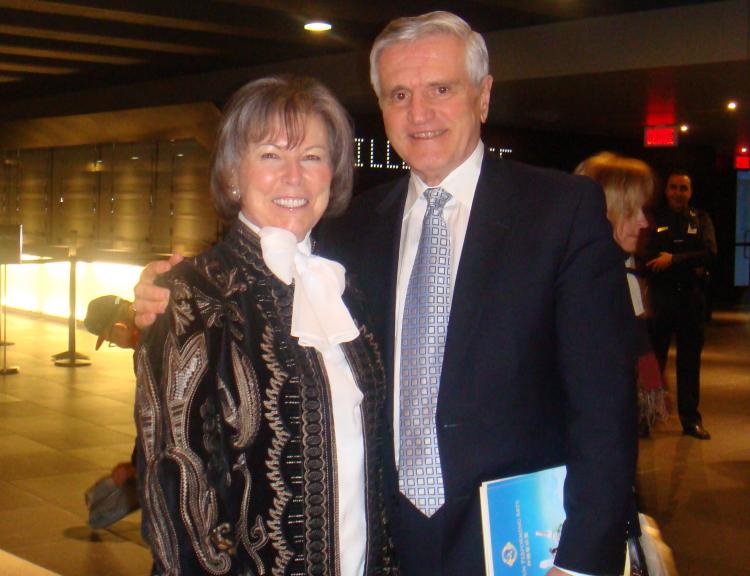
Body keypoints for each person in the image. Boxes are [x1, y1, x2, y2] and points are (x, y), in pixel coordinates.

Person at [134, 12, 637, 576]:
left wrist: (581, 563)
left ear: (483, 96)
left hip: (519, 551)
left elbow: (604, 412)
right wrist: (166, 290)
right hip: (388, 547)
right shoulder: (351, 233)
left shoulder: (562, 213)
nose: (419, 114)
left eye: (440, 89)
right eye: (399, 94)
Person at [133, 75, 391, 575]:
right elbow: (174, 479)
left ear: (333, 174)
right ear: (233, 172)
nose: (294, 176)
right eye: (271, 155)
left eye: (312, 157)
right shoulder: (194, 297)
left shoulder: (349, 291)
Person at [575, 152, 668, 437]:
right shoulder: (582, 280)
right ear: (606, 209)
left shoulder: (620, 269)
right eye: (632, 210)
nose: (644, 222)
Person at [646, 171, 717, 440]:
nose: (678, 193)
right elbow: (646, 254)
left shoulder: (701, 219)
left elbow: (710, 254)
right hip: (662, 298)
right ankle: (648, 416)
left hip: (690, 299)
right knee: (654, 362)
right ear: (666, 191)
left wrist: (674, 260)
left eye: (683, 189)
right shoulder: (655, 219)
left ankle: (691, 420)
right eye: (674, 188)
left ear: (690, 192)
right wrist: (684, 259)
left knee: (689, 362)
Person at [82, 295, 140, 529]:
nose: (114, 343)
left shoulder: (147, 354)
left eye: (111, 340)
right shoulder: (158, 338)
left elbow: (156, 416)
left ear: (119, 328)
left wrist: (138, 465)